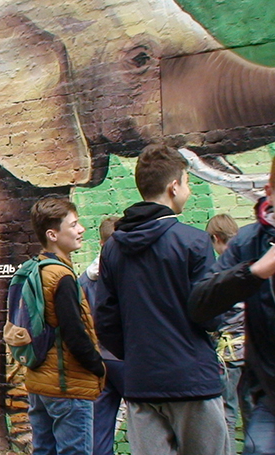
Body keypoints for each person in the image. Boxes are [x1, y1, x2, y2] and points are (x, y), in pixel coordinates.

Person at [95, 144, 229, 455]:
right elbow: (209, 314)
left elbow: (105, 319)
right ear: (174, 186)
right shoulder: (194, 242)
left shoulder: (113, 248)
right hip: (192, 380)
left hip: (141, 383)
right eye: (188, 182)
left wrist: (139, 354)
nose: (190, 191)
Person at [190, 156, 275, 455]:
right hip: (266, 392)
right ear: (269, 191)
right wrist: (253, 273)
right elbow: (200, 304)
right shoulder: (250, 243)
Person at [17, 197, 105, 455]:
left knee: (44, 450)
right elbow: (74, 332)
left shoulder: (35, 268)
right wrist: (97, 366)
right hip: (68, 384)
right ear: (53, 234)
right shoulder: (62, 276)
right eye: (74, 224)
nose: (81, 230)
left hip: (39, 381)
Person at [77, 216, 122, 455]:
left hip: (98, 364)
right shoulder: (124, 275)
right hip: (126, 361)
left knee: (99, 433)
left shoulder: (83, 280)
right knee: (147, 422)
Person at [206, 213, 249, 442]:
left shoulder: (220, 271)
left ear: (216, 238)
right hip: (256, 352)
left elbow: (214, 315)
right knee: (257, 415)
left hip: (230, 354)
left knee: (227, 415)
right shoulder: (256, 261)